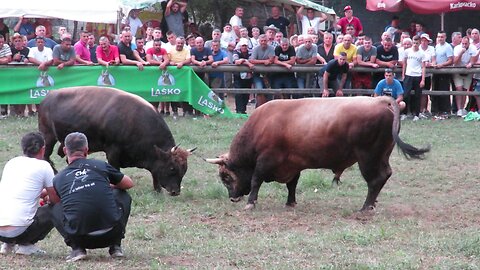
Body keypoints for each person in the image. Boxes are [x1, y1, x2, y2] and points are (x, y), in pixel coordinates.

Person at [50, 132, 134, 262]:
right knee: (122, 193)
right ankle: (116, 246)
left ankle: (77, 249)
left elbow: (56, 200)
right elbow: (128, 183)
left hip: (80, 237)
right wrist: (107, 185)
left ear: (65, 150)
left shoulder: (59, 178)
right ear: (87, 150)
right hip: (111, 234)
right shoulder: (100, 165)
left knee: (54, 206)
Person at [0, 132, 60, 256]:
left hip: (1, 232)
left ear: (23, 148)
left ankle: (7, 243)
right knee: (56, 209)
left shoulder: (12, 162)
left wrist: (41, 193)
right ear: (43, 150)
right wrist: (48, 196)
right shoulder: (44, 166)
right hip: (20, 231)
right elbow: (55, 200)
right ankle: (26, 245)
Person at [402, 36, 427, 121]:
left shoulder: (422, 53)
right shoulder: (407, 52)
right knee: (406, 95)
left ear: (419, 43)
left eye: (417, 43)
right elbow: (404, 63)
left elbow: (423, 67)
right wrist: (403, 74)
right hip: (408, 75)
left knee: (417, 96)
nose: (415, 44)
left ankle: (416, 114)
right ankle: (404, 113)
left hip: (418, 76)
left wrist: (423, 79)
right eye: (414, 42)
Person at [453, 36, 478, 116]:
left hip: (468, 71)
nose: (464, 45)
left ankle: (462, 108)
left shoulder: (473, 48)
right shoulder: (457, 48)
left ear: (469, 43)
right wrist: (461, 53)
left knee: (464, 90)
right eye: (462, 43)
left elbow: (473, 59)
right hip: (458, 70)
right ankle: (459, 109)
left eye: (466, 44)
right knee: (459, 89)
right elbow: (455, 62)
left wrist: (470, 64)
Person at [249, 34, 275, 108]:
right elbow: (252, 60)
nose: (263, 42)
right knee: (259, 90)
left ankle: (267, 109)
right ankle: (259, 108)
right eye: (261, 41)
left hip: (268, 74)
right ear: (259, 41)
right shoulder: (256, 49)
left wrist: (266, 61)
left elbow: (271, 59)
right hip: (257, 73)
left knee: (269, 92)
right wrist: (264, 62)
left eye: (265, 41)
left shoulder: (271, 48)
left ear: (267, 41)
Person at [431, 31, 453, 116]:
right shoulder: (437, 46)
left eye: (442, 37)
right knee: (435, 90)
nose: (440, 38)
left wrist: (442, 65)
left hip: (444, 72)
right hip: (436, 72)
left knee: (444, 91)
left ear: (445, 37)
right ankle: (436, 110)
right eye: (439, 37)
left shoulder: (448, 47)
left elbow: (451, 60)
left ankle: (445, 110)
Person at [233, 38, 254, 114]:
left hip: (248, 76)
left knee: (246, 93)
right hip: (238, 76)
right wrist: (246, 62)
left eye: (245, 46)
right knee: (238, 93)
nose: (244, 47)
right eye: (243, 46)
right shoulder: (236, 51)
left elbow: (252, 60)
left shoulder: (251, 51)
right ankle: (238, 110)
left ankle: (243, 110)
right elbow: (236, 61)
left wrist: (242, 61)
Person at [0, 34, 12, 118]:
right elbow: (4, 59)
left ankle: (4, 113)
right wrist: (2, 59)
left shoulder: (6, 46)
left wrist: (4, 60)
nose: (1, 44)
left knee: (4, 90)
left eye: (2, 42)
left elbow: (8, 59)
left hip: (4, 73)